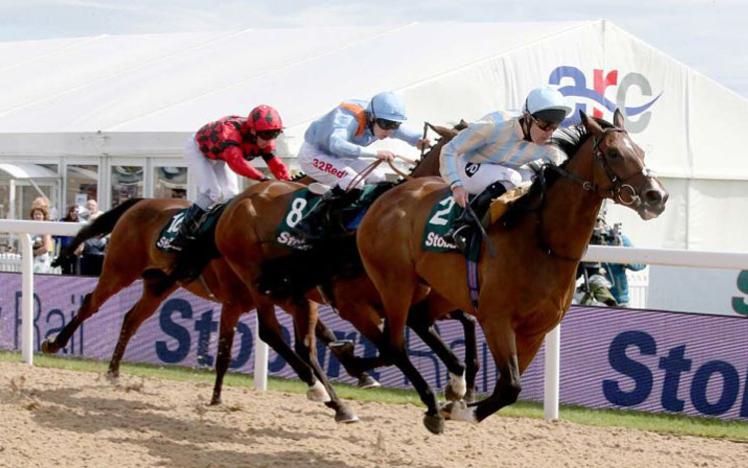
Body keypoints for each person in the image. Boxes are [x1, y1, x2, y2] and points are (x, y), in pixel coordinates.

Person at [439, 86, 572, 252]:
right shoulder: (495, 124)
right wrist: (456, 185)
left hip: (501, 173)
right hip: (467, 167)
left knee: (535, 179)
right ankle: (462, 226)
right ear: (527, 117)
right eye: (544, 125)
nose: (549, 133)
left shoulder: (551, 143)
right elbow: (449, 150)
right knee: (512, 178)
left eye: (554, 127)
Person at [292, 91, 430, 239]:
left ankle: (360, 222)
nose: (389, 131)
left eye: (394, 125)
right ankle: (309, 224)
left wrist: (418, 140)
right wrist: (375, 153)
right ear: (371, 117)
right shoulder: (348, 118)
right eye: (386, 124)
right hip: (315, 154)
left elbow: (401, 132)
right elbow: (336, 144)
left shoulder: (379, 119)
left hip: (341, 155)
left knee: (379, 179)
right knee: (352, 180)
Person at [170, 105, 291, 251]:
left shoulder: (262, 137)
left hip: (219, 155)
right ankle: (181, 237)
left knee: (231, 196)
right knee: (212, 193)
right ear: (253, 130)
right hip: (198, 150)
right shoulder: (231, 132)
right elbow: (237, 162)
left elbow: (276, 164)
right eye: (265, 135)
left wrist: (289, 183)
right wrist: (262, 178)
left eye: (275, 134)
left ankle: (217, 233)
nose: (269, 139)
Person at [54, 205, 84, 275]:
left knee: (75, 269)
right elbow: (57, 235)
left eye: (76, 212)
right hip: (65, 248)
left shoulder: (79, 222)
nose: (74, 213)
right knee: (65, 268)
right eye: (72, 211)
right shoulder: (63, 221)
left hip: (75, 248)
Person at [30, 206, 53, 273]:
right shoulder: (30, 228)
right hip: (31, 260)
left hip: (41, 260)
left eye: (39, 214)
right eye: (35, 214)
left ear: (43, 216)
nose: (37, 216)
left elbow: (46, 248)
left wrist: (33, 253)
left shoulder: (45, 229)